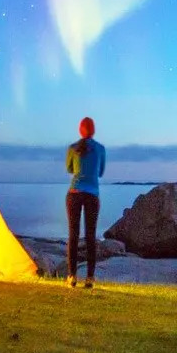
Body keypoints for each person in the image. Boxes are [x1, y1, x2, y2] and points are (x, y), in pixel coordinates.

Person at [65, 116, 106, 288]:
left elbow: (69, 169)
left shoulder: (73, 148)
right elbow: (100, 172)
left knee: (73, 236)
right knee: (90, 236)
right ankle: (89, 278)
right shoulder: (100, 149)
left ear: (80, 130)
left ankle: (72, 276)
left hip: (74, 193)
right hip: (92, 195)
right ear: (93, 130)